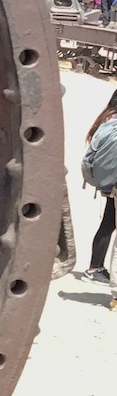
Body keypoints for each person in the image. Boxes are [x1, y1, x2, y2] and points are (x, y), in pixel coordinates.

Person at [78, 89, 117, 282]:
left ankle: (95, 268)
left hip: (108, 182)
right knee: (109, 223)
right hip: (114, 182)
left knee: (108, 223)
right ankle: (95, 269)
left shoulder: (106, 119)